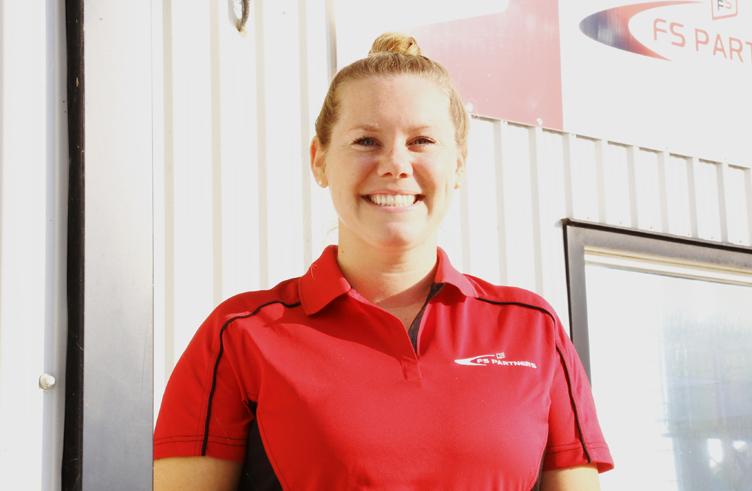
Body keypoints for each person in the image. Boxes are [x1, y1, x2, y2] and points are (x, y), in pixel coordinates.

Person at [153, 33, 613, 490]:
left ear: (458, 164)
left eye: (422, 141)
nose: (395, 164)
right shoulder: (238, 333)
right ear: (319, 161)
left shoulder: (533, 329)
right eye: (367, 141)